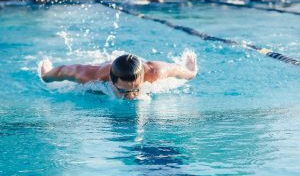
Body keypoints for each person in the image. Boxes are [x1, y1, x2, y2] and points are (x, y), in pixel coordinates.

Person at [41, 53, 197, 100]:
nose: (130, 97)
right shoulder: (92, 75)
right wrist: (46, 74)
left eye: (136, 89)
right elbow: (62, 72)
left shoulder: (156, 72)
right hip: (107, 65)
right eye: (123, 91)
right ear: (112, 80)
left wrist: (191, 69)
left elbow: (187, 74)